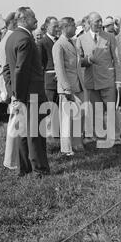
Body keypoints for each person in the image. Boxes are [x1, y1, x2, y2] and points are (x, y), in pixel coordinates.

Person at [5, 6, 50, 177]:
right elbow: (20, 70)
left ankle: (25, 168)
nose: (36, 20)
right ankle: (40, 168)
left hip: (22, 93)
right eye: (33, 18)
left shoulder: (12, 38)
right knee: (36, 133)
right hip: (31, 93)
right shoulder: (25, 39)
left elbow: (8, 70)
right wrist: (20, 95)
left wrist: (13, 93)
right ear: (23, 19)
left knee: (23, 132)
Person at [76, 11, 121, 146]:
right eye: (97, 21)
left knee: (111, 110)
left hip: (108, 80)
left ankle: (115, 137)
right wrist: (88, 60)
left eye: (100, 21)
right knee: (97, 110)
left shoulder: (109, 37)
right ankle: (100, 136)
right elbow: (79, 62)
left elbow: (117, 60)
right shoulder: (81, 39)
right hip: (91, 81)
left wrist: (118, 80)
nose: (100, 24)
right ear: (89, 22)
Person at [52, 17, 84, 155]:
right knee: (67, 119)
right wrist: (66, 88)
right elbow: (59, 69)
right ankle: (66, 148)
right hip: (68, 87)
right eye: (73, 26)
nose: (75, 28)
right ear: (65, 27)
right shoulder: (59, 45)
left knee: (78, 116)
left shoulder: (72, 42)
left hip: (78, 85)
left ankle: (77, 144)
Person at [38, 16, 59, 104]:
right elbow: (40, 64)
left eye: (58, 26)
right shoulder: (42, 43)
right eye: (54, 26)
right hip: (50, 83)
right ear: (47, 27)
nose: (57, 29)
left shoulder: (58, 41)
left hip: (60, 83)